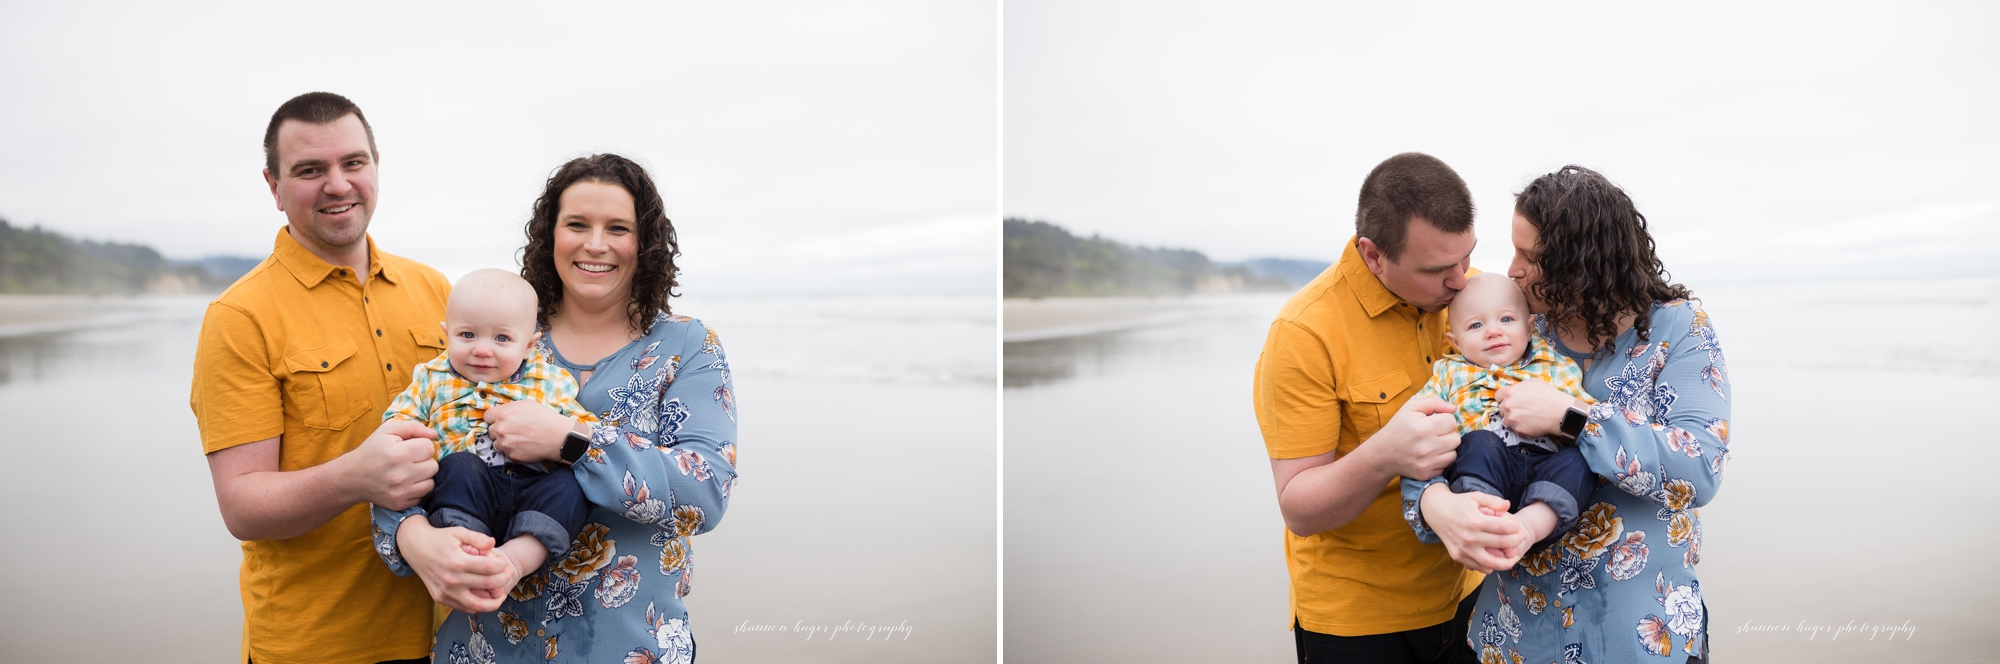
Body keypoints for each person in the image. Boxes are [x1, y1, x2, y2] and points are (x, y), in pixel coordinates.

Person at [373, 154, 738, 664]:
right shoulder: (498, 334)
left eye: (617, 227)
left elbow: (706, 492)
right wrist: (413, 539)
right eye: (577, 225)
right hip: (483, 645)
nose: (595, 243)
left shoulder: (687, 346)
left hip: (627, 646)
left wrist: (570, 441)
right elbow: (404, 457)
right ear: (550, 236)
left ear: (646, 242)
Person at [191, 91, 491, 664]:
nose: (337, 184)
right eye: (309, 170)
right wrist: (355, 477)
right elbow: (242, 505)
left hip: (458, 630)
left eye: (353, 163)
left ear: (375, 168)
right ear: (273, 186)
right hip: (319, 642)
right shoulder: (240, 317)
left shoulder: (435, 290)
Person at [1403, 165, 1730, 663]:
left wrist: (1573, 417)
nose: (1511, 269)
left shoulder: (1679, 330)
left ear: (1581, 263)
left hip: (1637, 636)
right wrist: (1436, 507)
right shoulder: (1518, 329)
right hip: (1514, 637)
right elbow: (1442, 431)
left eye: (1528, 257)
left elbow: (1700, 470)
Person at [1254, 152, 1524, 663]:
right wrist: (1383, 456)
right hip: (1357, 622)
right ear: (1373, 255)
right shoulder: (1303, 333)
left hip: (1474, 594)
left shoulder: (1479, 295)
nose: (1462, 281)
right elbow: (1298, 508)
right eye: (1437, 270)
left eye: (1467, 256)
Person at [378, 269, 598, 586]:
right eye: (467, 335)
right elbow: (397, 422)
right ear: (446, 333)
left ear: (529, 345)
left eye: (502, 338)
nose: (482, 349)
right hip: (467, 492)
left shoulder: (549, 382)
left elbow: (584, 430)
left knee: (569, 485)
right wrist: (414, 444)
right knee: (459, 466)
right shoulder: (431, 378)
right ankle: (466, 549)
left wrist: (561, 435)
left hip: (531, 486)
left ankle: (517, 558)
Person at [1406, 273, 1597, 556]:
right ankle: (1486, 520)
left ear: (1530, 327)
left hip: (1543, 468)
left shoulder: (1555, 366)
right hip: (1485, 472)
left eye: (1506, 319)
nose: (1493, 331)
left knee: (1580, 460)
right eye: (1475, 325)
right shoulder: (1449, 373)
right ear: (1456, 342)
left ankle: (1527, 528)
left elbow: (1590, 418)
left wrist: (1561, 414)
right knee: (1479, 442)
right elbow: (1418, 418)